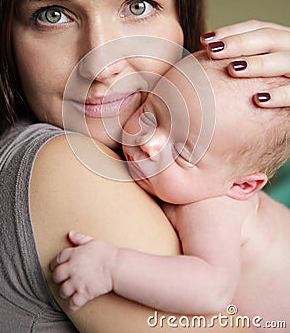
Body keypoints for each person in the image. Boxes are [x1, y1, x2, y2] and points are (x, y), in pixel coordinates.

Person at [0, 0, 289, 331]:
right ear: (5, 36)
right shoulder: (63, 167)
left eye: (138, 5)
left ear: (183, 21)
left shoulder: (214, 164)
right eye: (52, 13)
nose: (101, 60)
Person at [49, 50, 290, 329]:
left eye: (182, 153)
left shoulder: (213, 208)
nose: (149, 142)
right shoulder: (204, 180)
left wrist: (111, 266)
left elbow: (212, 290)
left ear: (241, 185)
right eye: (150, 116)